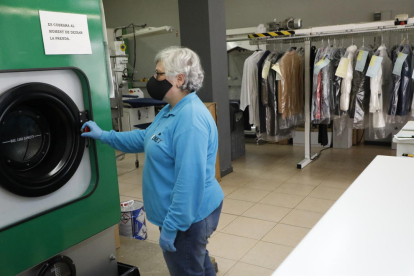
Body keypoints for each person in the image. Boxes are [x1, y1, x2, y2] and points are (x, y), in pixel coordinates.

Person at [82, 46, 224, 276]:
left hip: (188, 218)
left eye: (158, 74)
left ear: (179, 79)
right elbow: (147, 138)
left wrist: (172, 227)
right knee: (198, 265)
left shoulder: (190, 119)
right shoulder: (171, 109)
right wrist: (106, 136)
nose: (153, 79)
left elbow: (189, 182)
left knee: (188, 270)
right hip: (182, 215)